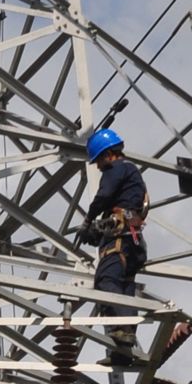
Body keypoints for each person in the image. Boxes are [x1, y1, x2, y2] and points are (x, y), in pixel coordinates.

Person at [79, 126, 148, 303]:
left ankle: (119, 329)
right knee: (125, 285)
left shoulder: (115, 168)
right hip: (133, 240)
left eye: (99, 161)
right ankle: (127, 328)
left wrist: (87, 221)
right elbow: (124, 205)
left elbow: (103, 196)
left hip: (120, 239)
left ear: (108, 154)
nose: (99, 167)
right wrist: (99, 231)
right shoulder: (132, 172)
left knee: (106, 280)